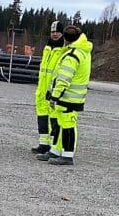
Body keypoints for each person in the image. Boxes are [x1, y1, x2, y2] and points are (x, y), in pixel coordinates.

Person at [36, 24, 93, 166]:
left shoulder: (72, 56)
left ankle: (67, 155)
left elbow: (63, 79)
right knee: (61, 125)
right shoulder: (80, 51)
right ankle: (55, 150)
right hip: (73, 96)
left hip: (68, 97)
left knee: (67, 126)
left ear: (66, 38)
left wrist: (54, 96)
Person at [32, 20, 67, 155]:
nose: (55, 34)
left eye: (57, 31)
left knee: (54, 119)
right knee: (42, 116)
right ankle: (44, 143)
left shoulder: (64, 49)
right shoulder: (47, 48)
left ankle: (54, 146)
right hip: (42, 89)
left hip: (53, 90)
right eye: (52, 32)